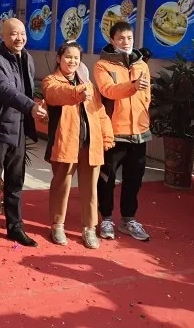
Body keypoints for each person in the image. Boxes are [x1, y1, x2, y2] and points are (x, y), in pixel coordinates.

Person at [0, 17, 48, 252]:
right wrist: (30, 106)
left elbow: (27, 89)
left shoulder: (27, 57)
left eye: (22, 33)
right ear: (3, 36)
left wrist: (33, 110)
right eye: (13, 34)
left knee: (16, 183)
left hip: (19, 129)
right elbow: (3, 89)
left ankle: (15, 227)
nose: (19, 38)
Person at [43, 41, 115, 249]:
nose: (72, 61)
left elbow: (100, 112)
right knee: (61, 185)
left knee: (90, 189)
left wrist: (107, 137)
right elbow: (55, 94)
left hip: (90, 144)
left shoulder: (88, 83)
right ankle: (57, 225)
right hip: (65, 142)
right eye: (68, 57)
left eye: (76, 58)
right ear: (59, 58)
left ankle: (89, 228)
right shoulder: (51, 81)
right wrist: (77, 93)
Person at [94, 21, 152, 242]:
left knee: (134, 179)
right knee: (107, 178)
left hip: (139, 132)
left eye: (129, 38)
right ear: (112, 40)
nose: (126, 42)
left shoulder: (142, 64)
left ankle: (129, 219)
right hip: (114, 132)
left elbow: (147, 96)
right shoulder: (102, 65)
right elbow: (108, 91)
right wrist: (132, 86)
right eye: (120, 38)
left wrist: (144, 119)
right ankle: (106, 218)